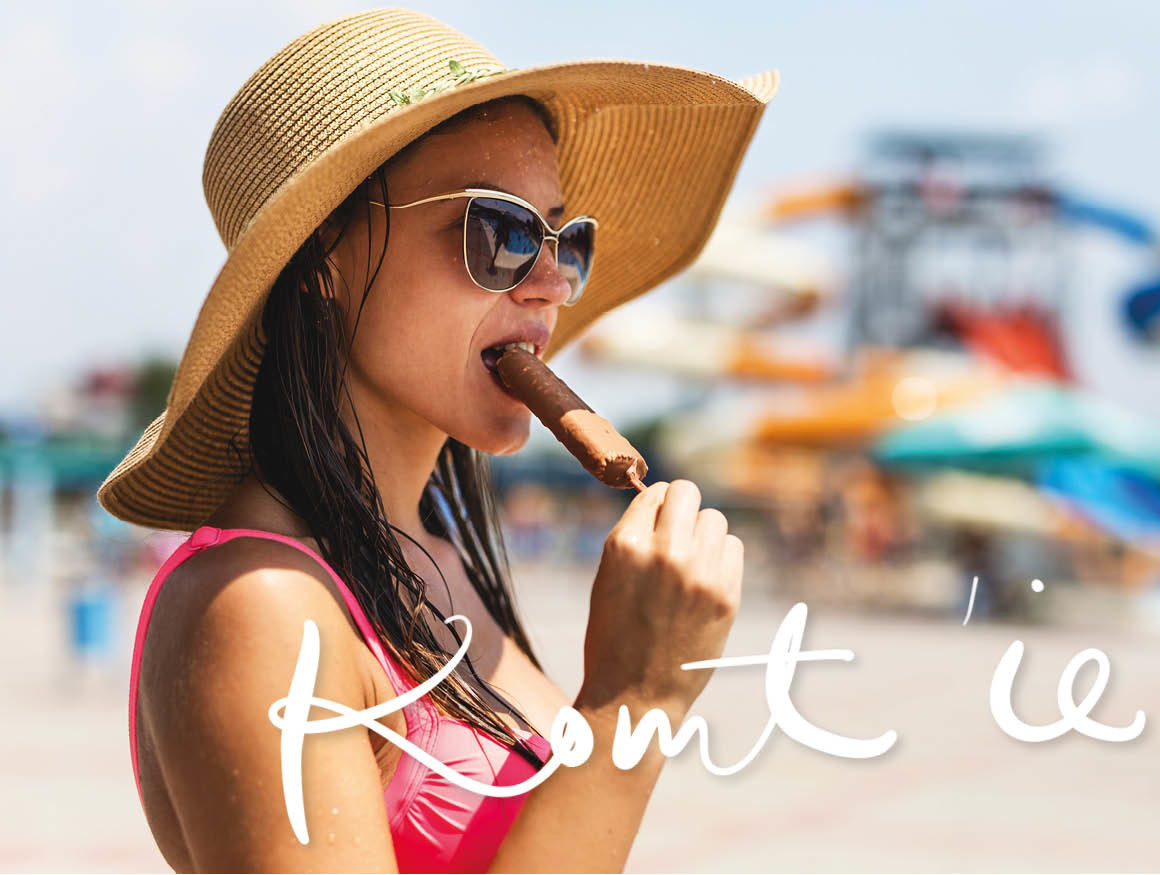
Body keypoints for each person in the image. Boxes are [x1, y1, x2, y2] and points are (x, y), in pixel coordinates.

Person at [97, 8, 778, 873]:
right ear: (322, 261)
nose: (548, 286)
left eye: (566, 241)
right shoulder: (259, 603)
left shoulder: (434, 556)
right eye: (500, 233)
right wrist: (632, 698)